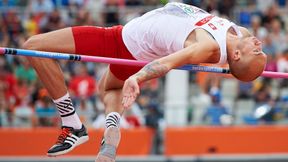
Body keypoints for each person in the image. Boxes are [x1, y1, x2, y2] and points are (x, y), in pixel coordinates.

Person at [22, 2, 267, 161]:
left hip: (121, 42)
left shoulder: (208, 47)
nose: (259, 44)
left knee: (34, 47)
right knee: (106, 87)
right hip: (135, 44)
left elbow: (167, 63)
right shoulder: (240, 34)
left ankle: (72, 124)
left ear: (236, 56)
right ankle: (111, 126)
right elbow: (243, 60)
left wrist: (138, 77)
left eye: (257, 51)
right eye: (260, 49)